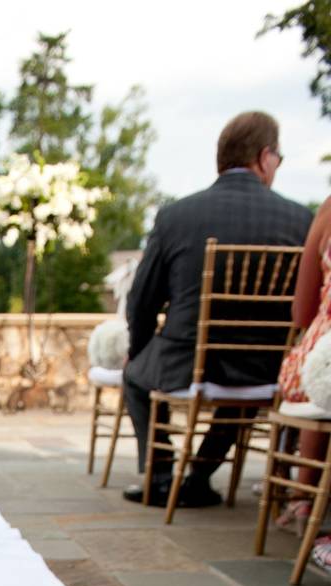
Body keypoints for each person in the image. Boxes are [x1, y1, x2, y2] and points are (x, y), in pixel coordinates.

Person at [122, 112, 312, 507]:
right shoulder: (301, 221)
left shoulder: (176, 216)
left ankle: (160, 475)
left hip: (186, 359)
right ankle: (200, 477)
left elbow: (142, 301)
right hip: (264, 368)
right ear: (264, 157)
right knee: (237, 397)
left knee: (135, 378)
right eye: (279, 156)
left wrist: (140, 353)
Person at [274, 195, 331, 535]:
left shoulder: (328, 210)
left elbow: (301, 313)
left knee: (319, 369)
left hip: (320, 372)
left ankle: (303, 497)